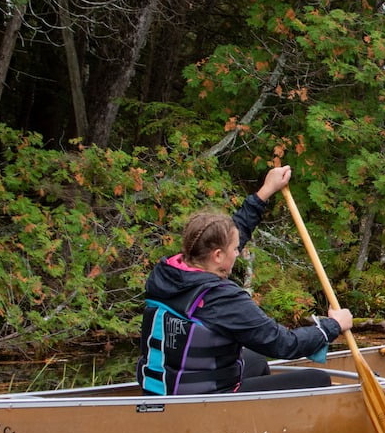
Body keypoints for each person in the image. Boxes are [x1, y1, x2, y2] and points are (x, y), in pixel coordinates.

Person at [137, 165, 354, 395]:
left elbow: (229, 233)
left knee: (255, 359)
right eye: (234, 249)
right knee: (317, 379)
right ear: (218, 255)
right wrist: (333, 326)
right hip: (200, 402)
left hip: (164, 386)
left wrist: (265, 192)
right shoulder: (222, 299)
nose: (238, 252)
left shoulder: (166, 274)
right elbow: (284, 343)